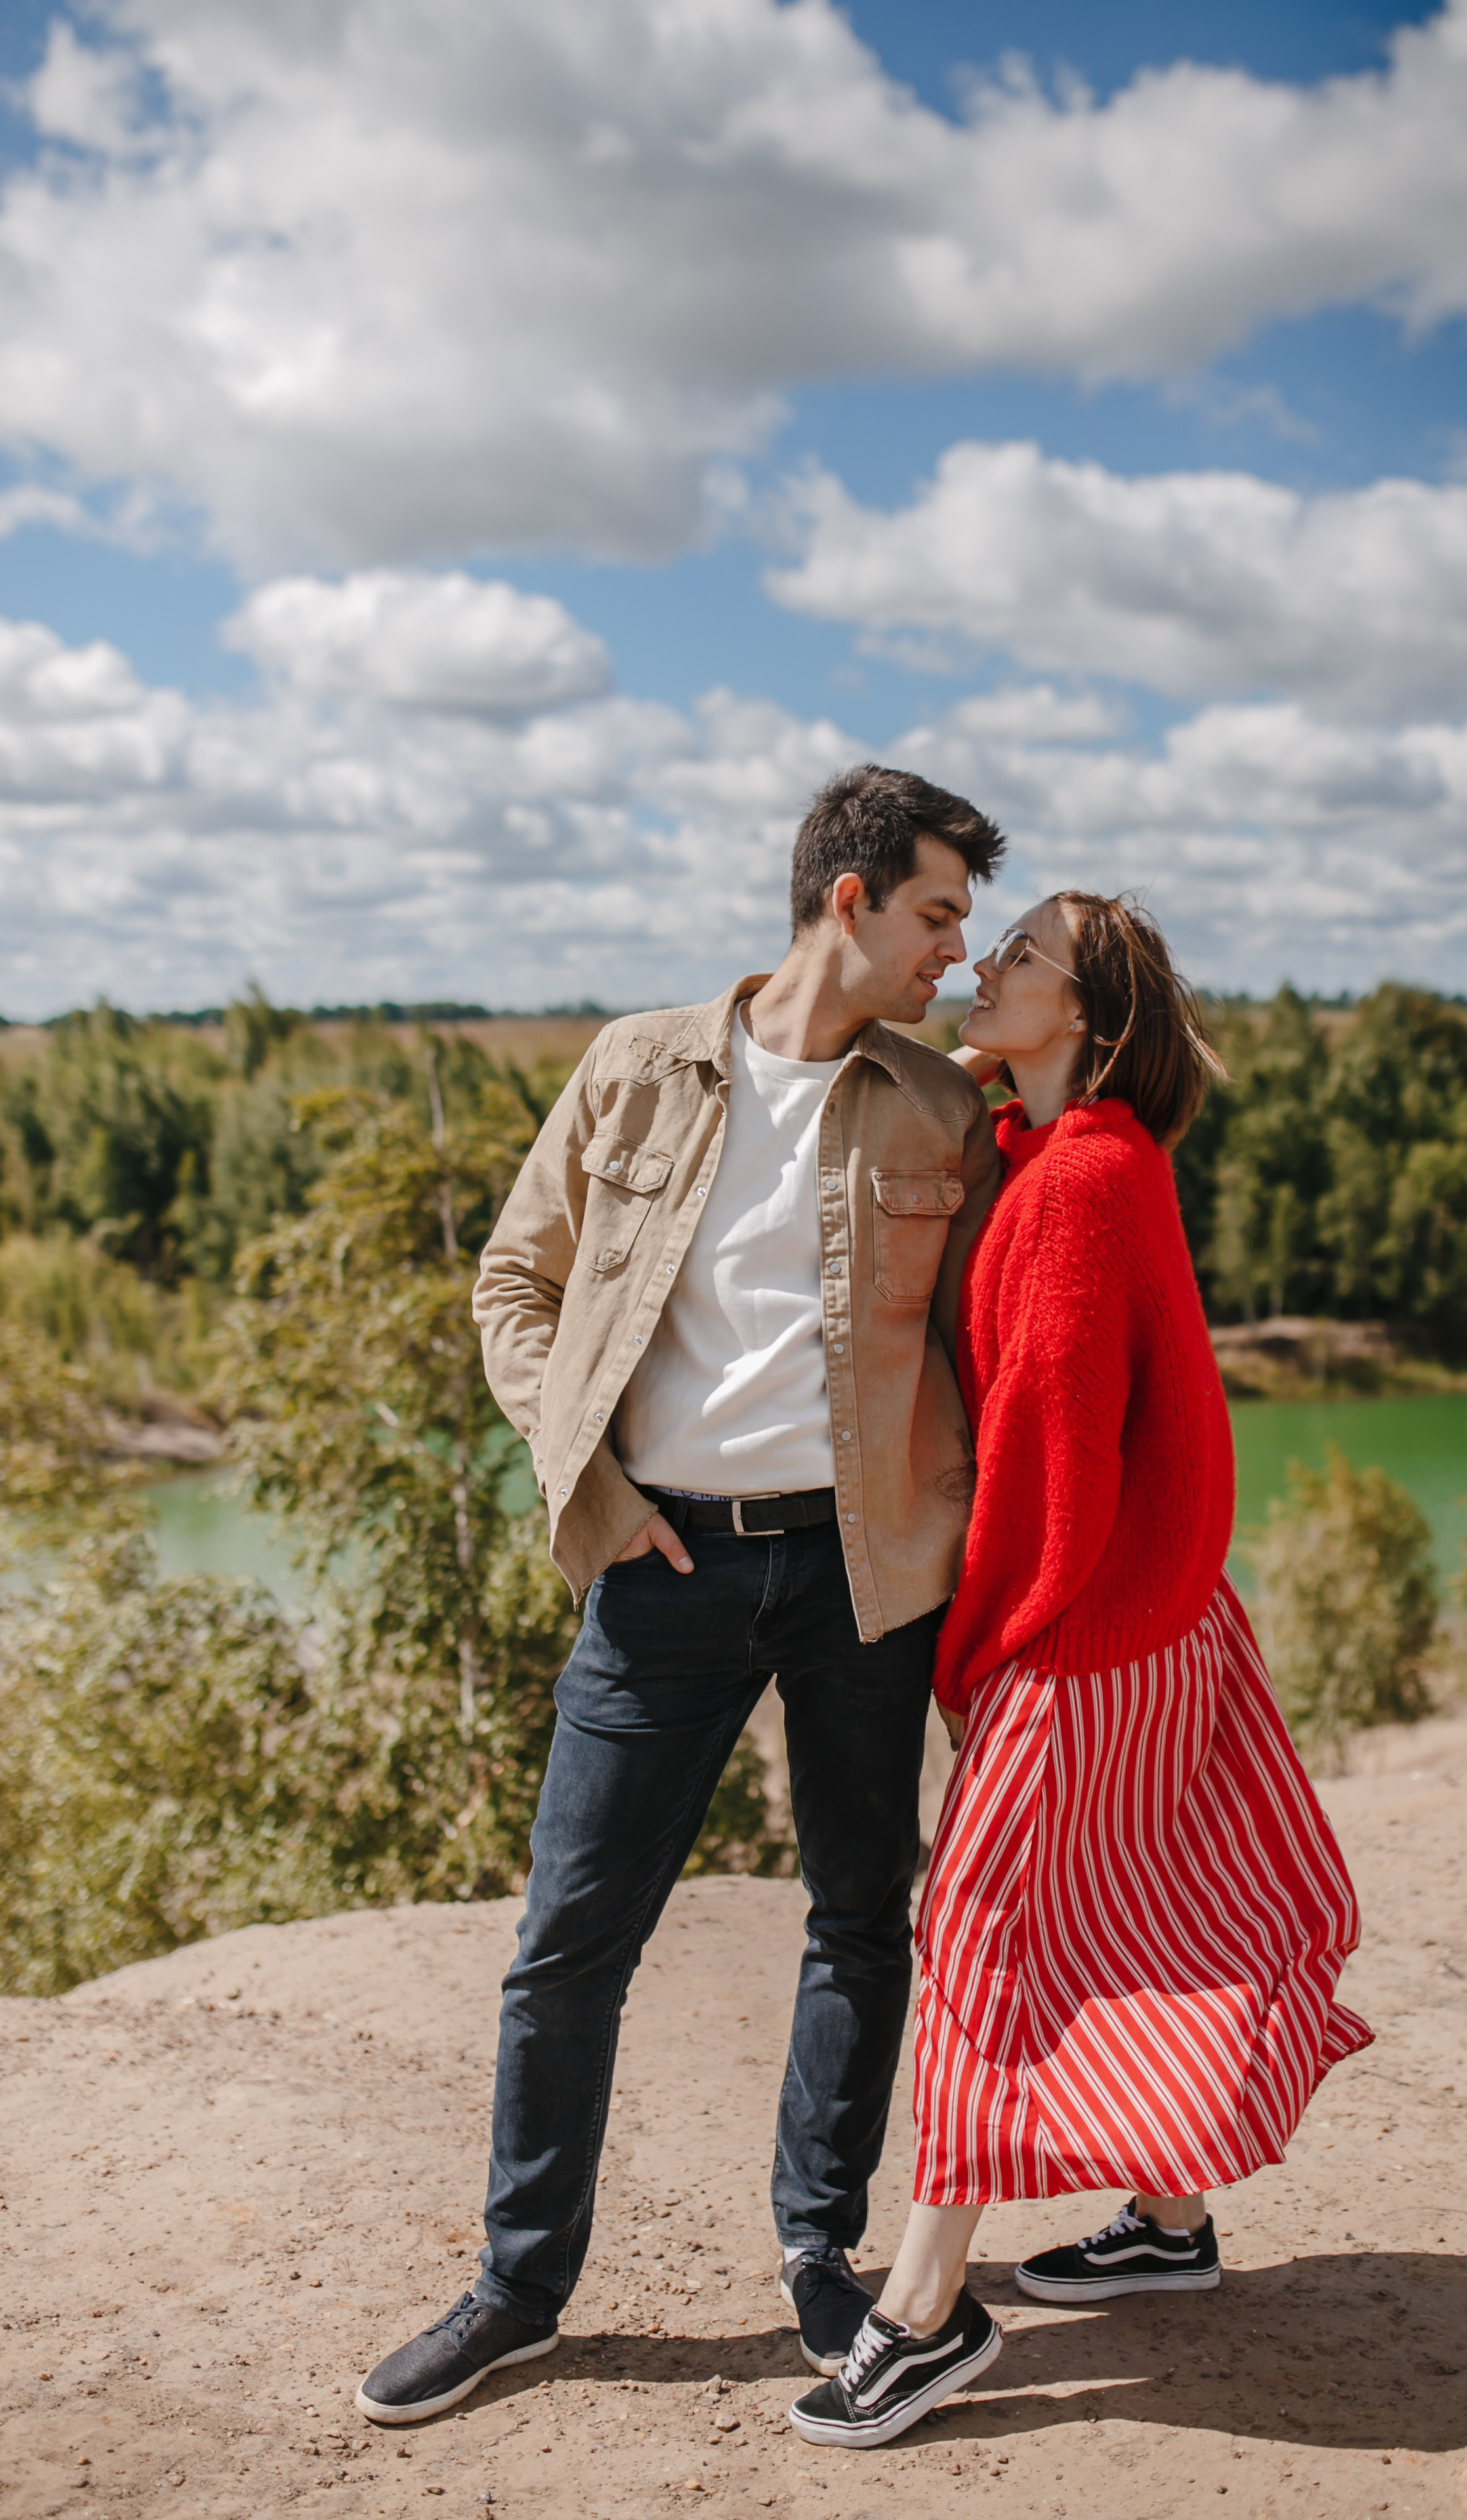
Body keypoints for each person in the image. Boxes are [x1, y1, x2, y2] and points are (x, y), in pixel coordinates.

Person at [356, 765, 1006, 2424]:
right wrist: (582, 1470)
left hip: (869, 1572)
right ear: (846, 900)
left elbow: (991, 1349)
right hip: (665, 1564)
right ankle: (516, 2285)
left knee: (864, 1918)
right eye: (938, 912)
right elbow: (518, 1280)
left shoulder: (940, 1109)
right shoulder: (634, 1066)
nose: (956, 947)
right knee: (569, 1940)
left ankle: (819, 2252)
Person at [789, 892, 1373, 2450]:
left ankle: (921, 2315)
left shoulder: (1071, 1189)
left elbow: (1049, 1465)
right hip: (1155, 1616)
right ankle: (1169, 2218)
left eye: (1020, 958)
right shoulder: (1073, 1155)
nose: (985, 968)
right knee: (1142, 1900)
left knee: (978, 1936)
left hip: (1084, 1626)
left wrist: (980, 1656)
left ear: (1092, 1021)